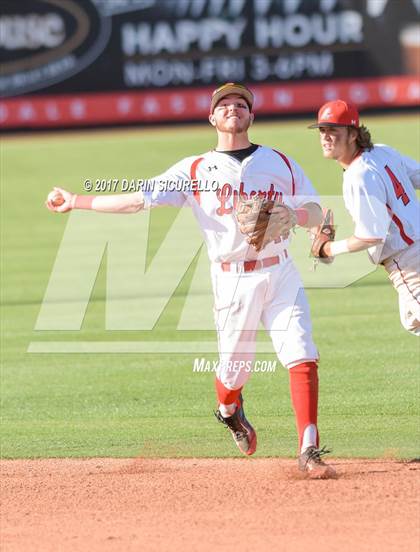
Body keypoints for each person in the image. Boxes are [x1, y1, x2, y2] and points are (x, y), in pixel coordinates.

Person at [46, 82, 335, 478]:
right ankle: (229, 410)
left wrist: (297, 217)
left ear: (252, 116)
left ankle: (309, 450)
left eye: (240, 104)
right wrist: (77, 200)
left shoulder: (280, 162)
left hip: (281, 270)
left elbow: (318, 209)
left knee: (302, 353)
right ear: (212, 118)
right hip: (233, 280)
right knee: (234, 373)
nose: (233, 108)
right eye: (224, 105)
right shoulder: (195, 169)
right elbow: (138, 200)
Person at [309, 100, 420, 335]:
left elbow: (371, 237)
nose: (326, 137)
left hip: (408, 261)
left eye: (333, 130)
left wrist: (328, 249)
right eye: (322, 130)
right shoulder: (381, 151)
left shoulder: (357, 175)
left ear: (352, 134)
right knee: (411, 321)